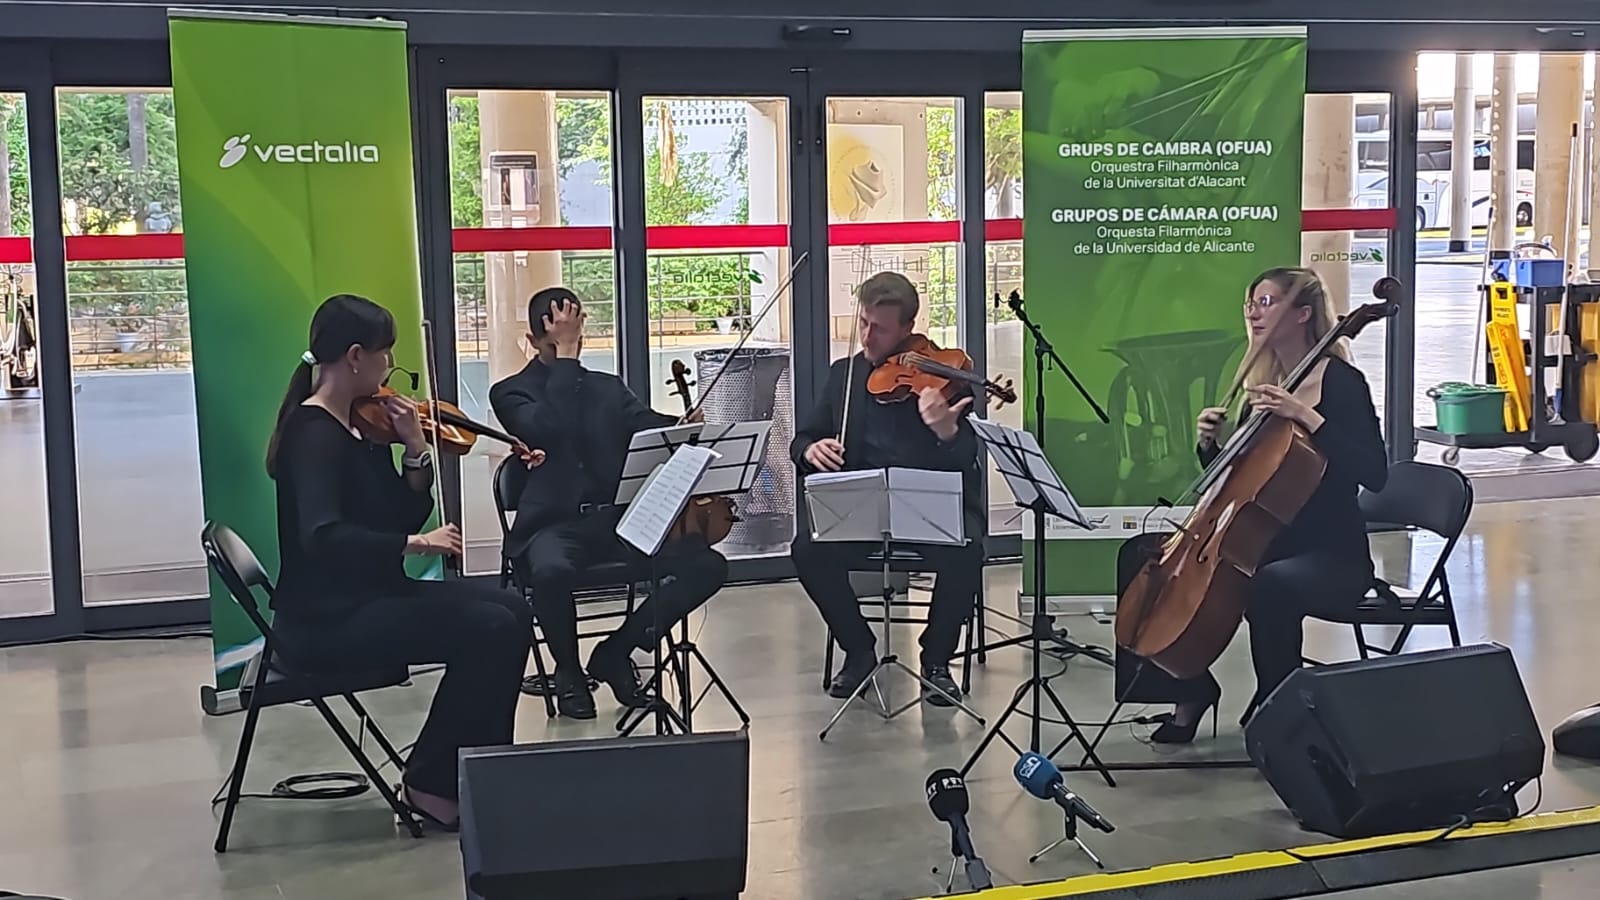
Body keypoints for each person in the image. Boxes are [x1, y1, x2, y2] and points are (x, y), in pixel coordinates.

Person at [265, 293, 533, 830]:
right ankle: (432, 783)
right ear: (357, 355)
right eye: (386, 355)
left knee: (511, 610)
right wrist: (415, 544)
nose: (391, 369)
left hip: (373, 593)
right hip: (328, 618)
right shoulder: (313, 432)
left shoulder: (357, 428)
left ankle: (469, 772)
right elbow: (322, 536)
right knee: (489, 629)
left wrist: (414, 449)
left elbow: (402, 507)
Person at [1152, 267, 1388, 744]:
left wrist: (1306, 415)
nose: (1254, 313)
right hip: (1264, 543)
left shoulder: (1341, 383)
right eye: (1252, 302)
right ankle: (1188, 688)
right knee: (1145, 560)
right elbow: (1245, 482)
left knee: (1270, 587)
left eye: (1267, 302)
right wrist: (1209, 447)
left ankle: (1280, 713)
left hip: (1331, 554)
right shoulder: (1265, 383)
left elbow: (1374, 473)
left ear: (1302, 314)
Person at [490, 287, 729, 721]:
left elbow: (647, 429)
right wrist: (563, 358)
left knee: (708, 565)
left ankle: (617, 650)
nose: (572, 346)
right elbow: (548, 429)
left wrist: (680, 427)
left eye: (575, 336)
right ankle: (568, 673)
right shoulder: (510, 393)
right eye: (560, 338)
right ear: (536, 336)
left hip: (617, 521)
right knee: (550, 571)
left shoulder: (606, 387)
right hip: (553, 526)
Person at [790, 271, 985, 707]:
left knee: (968, 548)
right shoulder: (845, 375)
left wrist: (947, 432)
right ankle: (858, 650)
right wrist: (810, 449)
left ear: (907, 329)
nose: (867, 336)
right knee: (807, 549)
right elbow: (802, 439)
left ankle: (936, 661)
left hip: (926, 513)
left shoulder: (940, 380)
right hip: (861, 512)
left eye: (879, 327)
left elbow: (966, 459)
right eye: (863, 322)